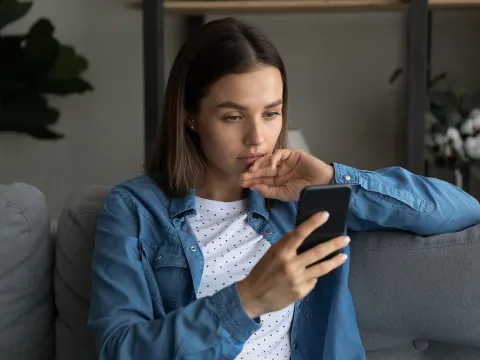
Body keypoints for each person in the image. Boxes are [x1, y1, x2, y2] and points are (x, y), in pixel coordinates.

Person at [87, 17, 480, 360]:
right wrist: (248, 299)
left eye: (271, 113)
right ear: (190, 116)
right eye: (232, 116)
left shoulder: (301, 201)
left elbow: (461, 210)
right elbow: (119, 349)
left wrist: (330, 179)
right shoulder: (135, 209)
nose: (257, 137)